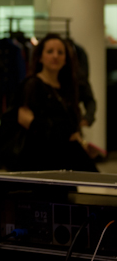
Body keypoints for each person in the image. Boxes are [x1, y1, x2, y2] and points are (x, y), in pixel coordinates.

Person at [16, 34, 97, 172]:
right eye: (50, 51)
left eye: (60, 52)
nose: (55, 56)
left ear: (66, 59)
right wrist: (64, 134)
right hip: (42, 160)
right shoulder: (32, 85)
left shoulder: (67, 87)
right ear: (40, 57)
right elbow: (26, 121)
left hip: (66, 159)